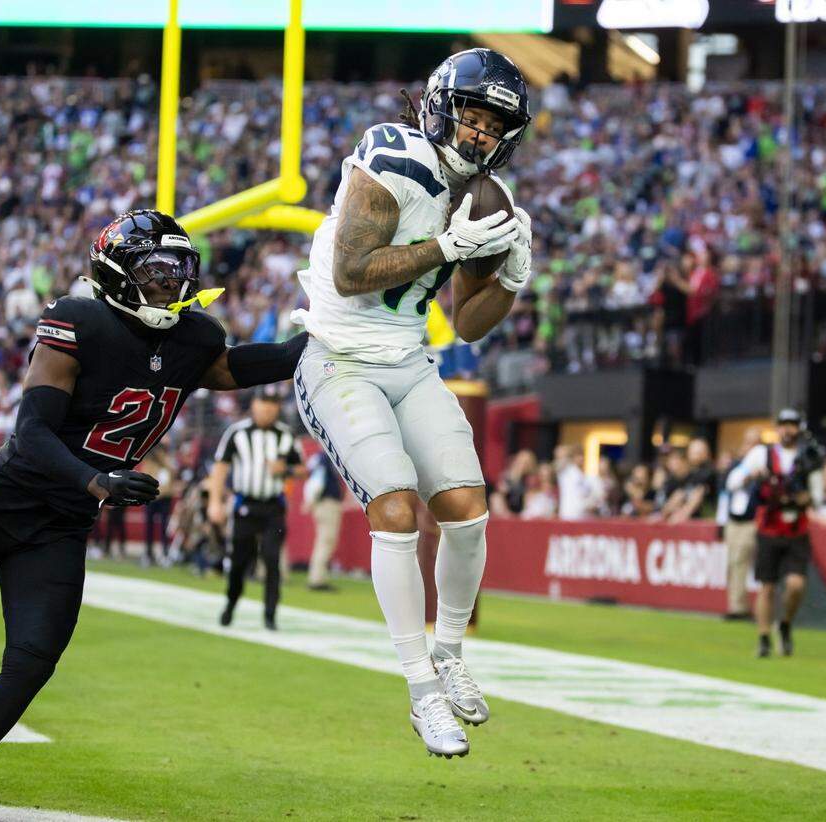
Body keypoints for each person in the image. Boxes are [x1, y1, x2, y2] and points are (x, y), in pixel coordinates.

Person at [0, 210, 308, 822]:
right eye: (155, 272)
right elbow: (30, 432)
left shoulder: (194, 339)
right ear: (118, 272)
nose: (171, 285)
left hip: (62, 521)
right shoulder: (78, 320)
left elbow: (257, 363)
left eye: (179, 271)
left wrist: (338, 325)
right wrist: (96, 480)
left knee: (30, 663)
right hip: (5, 497)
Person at [290, 48, 531, 758]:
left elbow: (468, 322)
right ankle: (422, 691)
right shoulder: (391, 153)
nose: (481, 133)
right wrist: (444, 243)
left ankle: (451, 652)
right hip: (338, 359)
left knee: (466, 507)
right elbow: (354, 270)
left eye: (495, 124)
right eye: (472, 115)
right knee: (394, 503)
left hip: (409, 361)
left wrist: (513, 278)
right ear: (440, 106)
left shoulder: (488, 198)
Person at [208, 383, 304, 630]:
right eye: (263, 404)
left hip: (273, 507)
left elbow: (303, 469)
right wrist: (215, 502)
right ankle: (231, 602)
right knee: (239, 561)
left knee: (272, 560)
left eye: (273, 405)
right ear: (254, 405)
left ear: (278, 408)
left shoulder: (286, 435)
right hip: (245, 505)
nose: (267, 410)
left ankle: (270, 615)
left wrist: (287, 469)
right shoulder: (237, 432)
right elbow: (220, 469)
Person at [725, 409, 813, 659]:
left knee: (796, 584)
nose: (788, 430)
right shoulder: (762, 454)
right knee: (767, 586)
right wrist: (749, 477)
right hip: (769, 527)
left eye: (793, 425)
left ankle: (785, 623)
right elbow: (733, 480)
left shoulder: (808, 455)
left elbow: (818, 488)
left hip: (797, 527)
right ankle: (764, 636)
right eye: (784, 425)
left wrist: (808, 497)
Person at [719, 427, 762, 620]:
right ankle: (736, 605)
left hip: (752, 520)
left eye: (754, 443)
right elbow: (725, 492)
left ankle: (751, 607)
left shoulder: (764, 468)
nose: (750, 447)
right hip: (733, 521)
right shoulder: (735, 467)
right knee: (733, 562)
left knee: (747, 562)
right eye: (748, 442)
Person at [303, 449, 344, 591]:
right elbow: (317, 481)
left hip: (321, 502)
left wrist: (310, 500)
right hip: (327, 502)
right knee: (326, 541)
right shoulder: (325, 458)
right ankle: (317, 579)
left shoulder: (317, 457)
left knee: (324, 541)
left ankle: (317, 576)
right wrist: (311, 499)